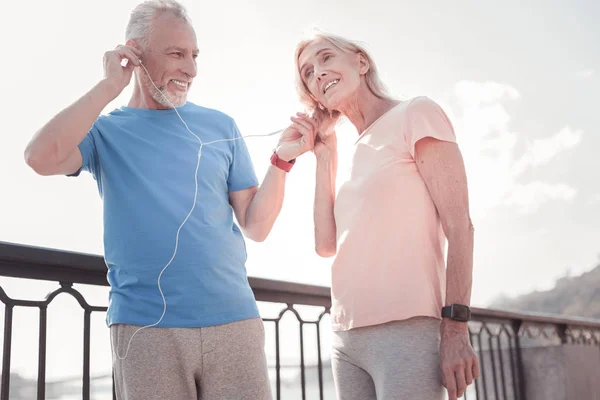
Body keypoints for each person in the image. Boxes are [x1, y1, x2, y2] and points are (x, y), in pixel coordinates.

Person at [24, 1, 314, 399]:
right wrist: (110, 86)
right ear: (134, 53)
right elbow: (39, 157)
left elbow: (256, 225)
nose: (191, 69)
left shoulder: (220, 125)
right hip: (145, 330)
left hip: (234, 323)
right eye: (176, 54)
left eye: (194, 55)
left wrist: (282, 161)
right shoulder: (104, 133)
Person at [289, 31, 481, 400]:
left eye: (326, 58)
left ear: (360, 62)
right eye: (309, 72)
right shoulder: (346, 152)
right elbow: (325, 245)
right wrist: (324, 157)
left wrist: (455, 330)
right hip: (346, 338)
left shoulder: (415, 114)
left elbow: (461, 227)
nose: (318, 73)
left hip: (407, 329)